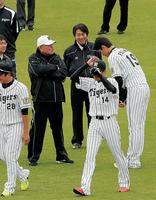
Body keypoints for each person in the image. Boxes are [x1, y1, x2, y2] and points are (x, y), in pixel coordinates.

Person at [71, 57, 130, 196]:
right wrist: (87, 65)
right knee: (90, 156)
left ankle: (124, 182)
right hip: (94, 123)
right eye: (93, 72)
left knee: (117, 154)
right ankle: (85, 187)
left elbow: (112, 89)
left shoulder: (112, 80)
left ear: (103, 71)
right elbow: (73, 77)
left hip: (109, 122)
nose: (94, 75)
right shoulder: (90, 83)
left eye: (97, 71)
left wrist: (101, 76)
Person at [94, 37, 150, 168]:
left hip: (135, 89)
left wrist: (121, 99)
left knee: (134, 126)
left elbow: (119, 80)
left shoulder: (112, 56)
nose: (102, 54)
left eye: (100, 51)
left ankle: (133, 160)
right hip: (144, 87)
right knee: (139, 125)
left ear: (103, 47)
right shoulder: (124, 51)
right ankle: (134, 158)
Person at [28, 35, 74, 166]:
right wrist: (54, 68)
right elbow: (38, 70)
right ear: (40, 47)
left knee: (57, 128)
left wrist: (48, 71)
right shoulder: (33, 59)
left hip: (56, 99)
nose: (52, 47)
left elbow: (63, 73)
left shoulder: (57, 57)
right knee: (38, 129)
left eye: (51, 45)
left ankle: (61, 155)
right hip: (41, 100)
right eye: (48, 45)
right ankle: (33, 156)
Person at [64, 23, 101, 149]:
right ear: (74, 36)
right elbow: (67, 71)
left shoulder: (94, 48)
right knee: (77, 113)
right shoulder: (69, 51)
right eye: (78, 35)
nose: (80, 37)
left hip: (92, 86)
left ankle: (94, 137)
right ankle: (77, 140)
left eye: (83, 34)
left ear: (87, 35)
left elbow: (101, 66)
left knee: (92, 112)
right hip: (77, 86)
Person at [0, 58, 31, 196]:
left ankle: (10, 187)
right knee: (4, 157)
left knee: (11, 156)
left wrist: (26, 132)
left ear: (8, 74)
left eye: (1, 74)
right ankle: (23, 175)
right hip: (1, 125)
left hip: (16, 126)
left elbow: (25, 111)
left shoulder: (21, 88)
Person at [0, 0, 20, 77]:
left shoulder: (11, 13)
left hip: (8, 52)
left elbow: (16, 32)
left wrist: (5, 44)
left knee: (11, 77)